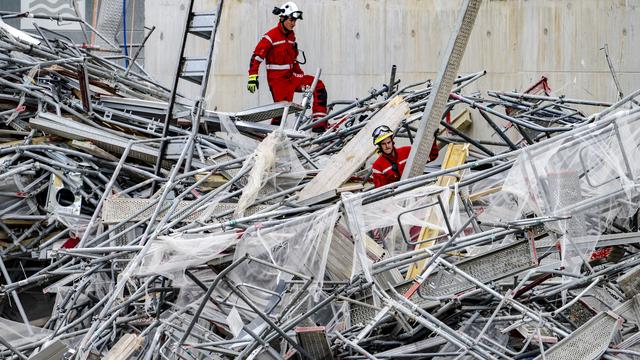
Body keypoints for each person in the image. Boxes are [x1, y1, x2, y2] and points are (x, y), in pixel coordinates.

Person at [247, 2, 328, 132]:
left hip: (292, 78)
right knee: (281, 114)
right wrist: (252, 77)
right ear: (282, 18)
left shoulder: (291, 36)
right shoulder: (270, 37)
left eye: (295, 20)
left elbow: (293, 60)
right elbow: (256, 57)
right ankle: (269, 139)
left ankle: (319, 126)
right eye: (291, 20)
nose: (293, 23)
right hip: (278, 82)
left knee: (317, 85)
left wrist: (300, 75)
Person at [370, 125, 439, 188]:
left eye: (389, 142)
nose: (387, 146)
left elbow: (431, 156)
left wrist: (432, 139)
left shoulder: (407, 151)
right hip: (396, 198)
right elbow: (382, 191)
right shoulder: (377, 166)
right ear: (380, 146)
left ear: (392, 141)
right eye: (383, 144)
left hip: (416, 190)